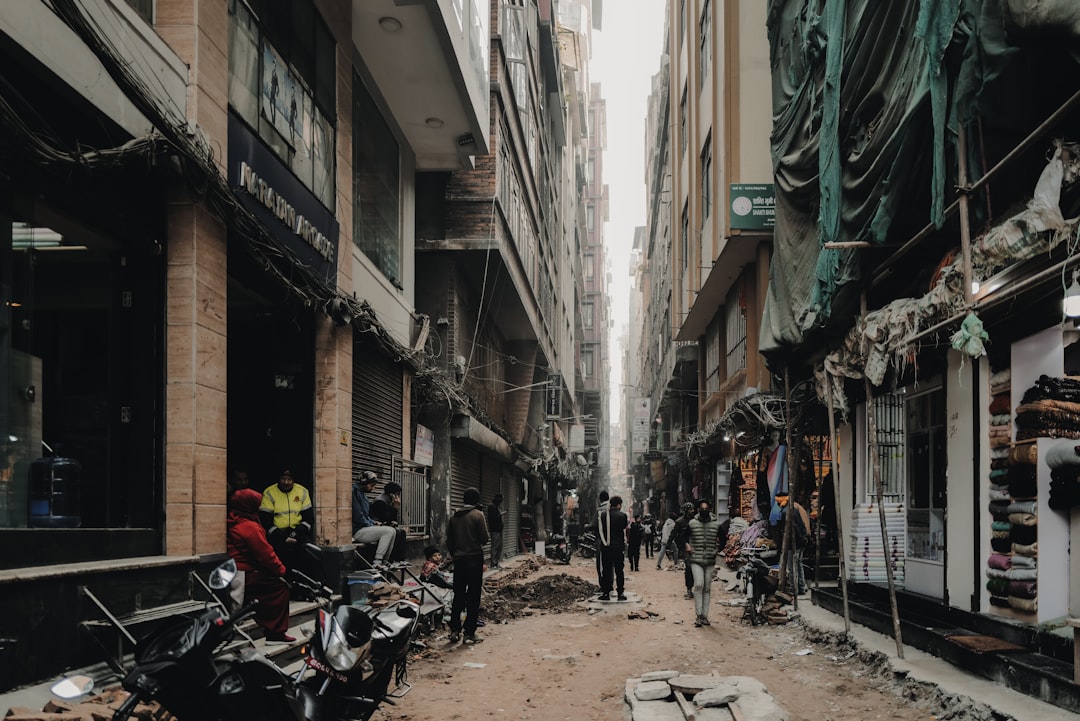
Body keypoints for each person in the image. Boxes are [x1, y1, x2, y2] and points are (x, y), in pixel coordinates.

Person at [227, 488, 294, 643]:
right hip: (246, 573)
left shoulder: (234, 520)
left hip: (237, 571)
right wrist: (281, 571)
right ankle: (275, 633)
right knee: (280, 588)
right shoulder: (250, 527)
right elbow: (266, 554)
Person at [446, 487, 489, 644]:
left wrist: (455, 553)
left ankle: (454, 630)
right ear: (477, 500)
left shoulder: (454, 517)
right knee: (473, 596)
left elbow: (449, 541)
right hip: (474, 559)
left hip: (459, 560)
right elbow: (484, 538)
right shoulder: (478, 515)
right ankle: (469, 633)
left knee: (458, 595)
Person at [259, 469, 314, 577]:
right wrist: (284, 537)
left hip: (298, 534)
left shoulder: (302, 491)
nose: (286, 482)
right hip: (278, 536)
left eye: (289, 479)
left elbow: (309, 519)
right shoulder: (269, 492)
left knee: (309, 556)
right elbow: (265, 522)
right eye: (283, 478)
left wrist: (294, 534)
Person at [685, 498, 722, 627]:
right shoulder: (692, 524)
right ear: (698, 510)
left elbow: (723, 539)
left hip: (710, 560)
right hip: (696, 559)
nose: (704, 511)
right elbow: (682, 537)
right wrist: (687, 546)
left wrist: (717, 550)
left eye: (706, 509)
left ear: (710, 510)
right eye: (702, 509)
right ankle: (698, 614)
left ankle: (705, 616)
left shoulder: (716, 524)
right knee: (699, 585)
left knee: (707, 588)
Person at [351, 471, 398, 568]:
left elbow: (365, 515)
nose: (373, 488)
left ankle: (385, 561)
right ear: (364, 483)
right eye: (371, 485)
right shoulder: (354, 493)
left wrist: (374, 522)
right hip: (357, 530)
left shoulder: (362, 494)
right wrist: (371, 524)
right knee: (388, 531)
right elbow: (358, 516)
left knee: (393, 531)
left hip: (364, 527)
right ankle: (377, 561)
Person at [777, 493, 812, 594]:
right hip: (801, 541)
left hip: (795, 543)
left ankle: (794, 588)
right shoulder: (795, 509)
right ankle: (801, 587)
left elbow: (794, 528)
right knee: (798, 564)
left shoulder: (786, 512)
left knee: (792, 566)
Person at [596, 495, 629, 601]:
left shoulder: (603, 515)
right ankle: (620, 593)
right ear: (619, 505)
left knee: (606, 570)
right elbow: (623, 528)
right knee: (619, 571)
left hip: (606, 547)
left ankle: (606, 593)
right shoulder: (623, 516)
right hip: (618, 547)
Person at [371, 481, 408, 563]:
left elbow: (390, 520)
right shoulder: (381, 502)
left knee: (401, 532)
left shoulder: (386, 500)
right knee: (398, 532)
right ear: (392, 494)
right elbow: (385, 519)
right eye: (398, 494)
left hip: (382, 526)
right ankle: (393, 559)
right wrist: (395, 508)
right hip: (376, 527)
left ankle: (399, 559)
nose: (398, 496)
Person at [672, 502, 696, 598]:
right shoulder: (680, 522)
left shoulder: (695, 521)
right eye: (690, 509)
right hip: (686, 547)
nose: (692, 511)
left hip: (696, 546)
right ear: (686, 511)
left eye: (693, 509)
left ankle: (696, 588)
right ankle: (689, 589)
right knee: (689, 568)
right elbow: (674, 534)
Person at [592, 490, 610, 590]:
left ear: (600, 499)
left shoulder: (599, 511)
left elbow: (593, 525)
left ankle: (603, 585)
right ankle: (610, 584)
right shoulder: (612, 509)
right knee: (610, 563)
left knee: (601, 563)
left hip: (601, 540)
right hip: (612, 540)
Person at [486, 494, 506, 568]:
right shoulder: (492, 506)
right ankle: (493, 563)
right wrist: (501, 514)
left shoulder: (496, 506)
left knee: (499, 547)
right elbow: (493, 518)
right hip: (495, 530)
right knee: (495, 547)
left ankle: (496, 562)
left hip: (498, 530)